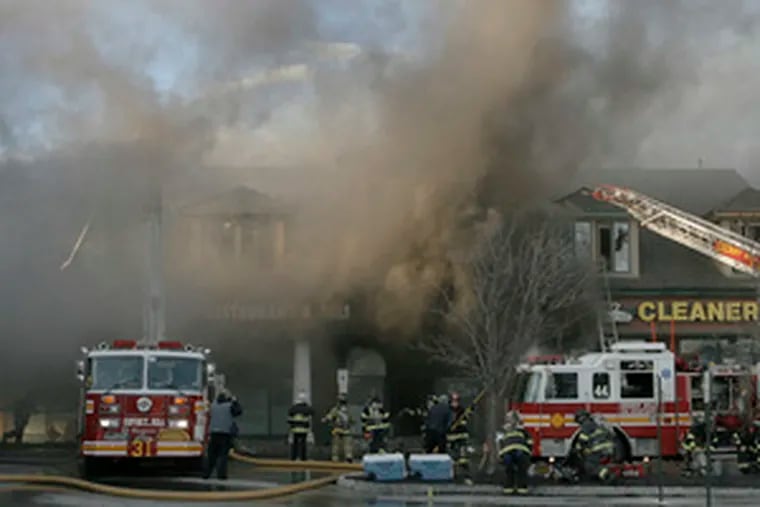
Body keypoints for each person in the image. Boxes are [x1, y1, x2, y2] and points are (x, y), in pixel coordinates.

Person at [203, 390, 243, 480]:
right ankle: (221, 475)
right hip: (225, 433)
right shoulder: (230, 406)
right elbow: (238, 412)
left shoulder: (213, 405)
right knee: (223, 456)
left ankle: (206, 474)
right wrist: (235, 401)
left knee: (211, 455)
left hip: (213, 433)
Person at [574, 409, 614, 483]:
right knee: (589, 457)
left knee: (589, 466)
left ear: (581, 418)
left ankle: (606, 474)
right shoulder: (592, 423)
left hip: (600, 449)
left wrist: (577, 448)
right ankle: (599, 475)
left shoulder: (587, 424)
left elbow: (583, 439)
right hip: (605, 448)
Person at [498, 411, 532, 495]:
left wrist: (500, 456)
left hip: (509, 453)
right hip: (520, 453)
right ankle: (521, 489)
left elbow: (499, 443)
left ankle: (509, 488)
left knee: (509, 470)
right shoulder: (523, 431)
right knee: (520, 470)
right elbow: (530, 443)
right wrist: (528, 454)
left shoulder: (504, 431)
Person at [447, 392, 473, 485]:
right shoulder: (447, 411)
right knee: (452, 458)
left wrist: (469, 412)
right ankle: (453, 477)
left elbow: (466, 420)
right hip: (450, 437)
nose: (455, 403)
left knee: (463, 458)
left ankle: (467, 477)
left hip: (461, 436)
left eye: (457, 401)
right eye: (453, 401)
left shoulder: (462, 410)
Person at [322, 393, 354, 462]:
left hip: (339, 429)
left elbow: (329, 417)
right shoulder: (347, 409)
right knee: (344, 445)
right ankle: (346, 457)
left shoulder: (336, 409)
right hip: (343, 429)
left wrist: (325, 419)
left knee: (337, 445)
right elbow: (352, 420)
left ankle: (337, 458)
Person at [288, 391, 314, 461]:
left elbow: (289, 417)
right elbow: (312, 412)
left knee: (295, 443)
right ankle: (303, 458)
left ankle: (293, 457)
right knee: (303, 443)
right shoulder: (307, 408)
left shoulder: (293, 408)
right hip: (304, 429)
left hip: (295, 429)